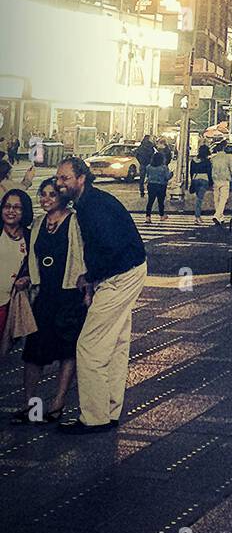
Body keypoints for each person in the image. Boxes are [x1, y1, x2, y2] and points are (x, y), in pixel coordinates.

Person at [53, 157, 147, 434]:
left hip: (119, 276)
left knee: (89, 347)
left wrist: (90, 278)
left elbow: (110, 249)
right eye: (59, 178)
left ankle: (93, 417)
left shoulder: (92, 208)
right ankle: (110, 409)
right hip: (129, 270)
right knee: (117, 344)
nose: (59, 184)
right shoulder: (92, 202)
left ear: (81, 178)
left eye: (65, 178)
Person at [10, 178, 87, 423]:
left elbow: (83, 255)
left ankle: (57, 403)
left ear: (62, 197)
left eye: (51, 195)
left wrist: (87, 289)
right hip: (43, 294)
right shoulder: (38, 223)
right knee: (33, 351)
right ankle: (30, 405)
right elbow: (29, 257)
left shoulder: (74, 221)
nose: (46, 199)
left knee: (67, 348)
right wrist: (27, 278)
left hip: (68, 293)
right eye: (43, 195)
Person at [0, 188, 33, 357]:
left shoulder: (29, 237)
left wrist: (26, 278)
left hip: (5, 304)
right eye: (7, 206)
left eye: (17, 207)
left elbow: (33, 268)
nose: (11, 211)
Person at [209, 142, 232, 226]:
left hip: (216, 180)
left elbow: (211, 170)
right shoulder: (228, 158)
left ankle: (220, 217)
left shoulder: (213, 158)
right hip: (225, 180)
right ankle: (217, 215)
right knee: (223, 199)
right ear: (224, 149)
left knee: (217, 199)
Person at [144, 150, 171, 222]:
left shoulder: (149, 167)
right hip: (161, 185)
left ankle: (148, 216)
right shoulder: (164, 167)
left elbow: (148, 176)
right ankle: (161, 215)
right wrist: (171, 174)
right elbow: (167, 177)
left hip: (151, 185)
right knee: (160, 201)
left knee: (150, 201)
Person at [189, 144, 212, 223]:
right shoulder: (207, 161)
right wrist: (211, 182)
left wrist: (192, 180)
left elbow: (191, 171)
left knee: (198, 198)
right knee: (199, 199)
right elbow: (209, 172)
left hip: (195, 179)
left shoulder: (193, 160)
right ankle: (197, 216)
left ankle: (197, 216)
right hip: (204, 179)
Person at [134, 134, 154, 198]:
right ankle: (150, 191)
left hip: (142, 164)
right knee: (150, 179)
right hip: (149, 164)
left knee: (141, 179)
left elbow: (136, 154)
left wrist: (140, 161)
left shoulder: (141, 146)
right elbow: (153, 155)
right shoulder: (151, 146)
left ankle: (141, 191)